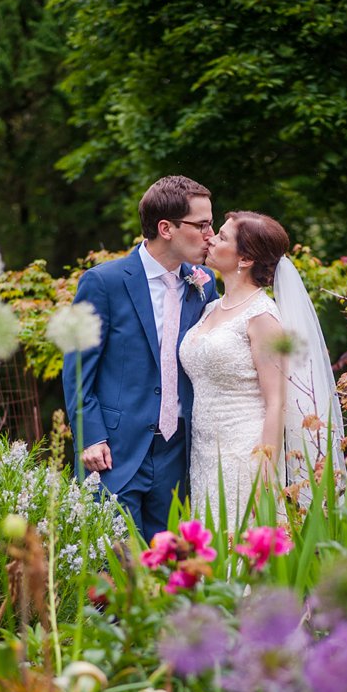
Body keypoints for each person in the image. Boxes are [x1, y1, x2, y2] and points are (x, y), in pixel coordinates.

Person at [65, 175, 218, 539]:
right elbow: (77, 370)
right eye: (202, 225)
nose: (211, 234)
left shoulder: (205, 283)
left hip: (177, 453)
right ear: (166, 228)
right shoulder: (103, 282)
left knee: (169, 572)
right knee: (114, 573)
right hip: (114, 451)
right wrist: (90, 436)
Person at [179, 211, 343, 527]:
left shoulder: (262, 317)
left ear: (245, 259)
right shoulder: (211, 307)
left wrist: (266, 470)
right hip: (203, 452)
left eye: (223, 237)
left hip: (245, 454)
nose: (211, 238)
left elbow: (276, 402)